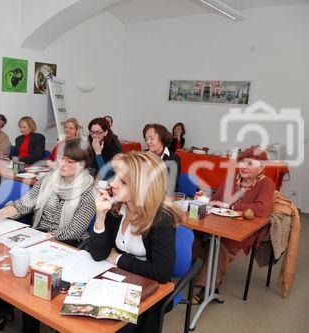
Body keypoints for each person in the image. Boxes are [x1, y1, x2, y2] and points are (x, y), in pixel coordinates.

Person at [0, 139, 96, 333]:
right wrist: (0, 213)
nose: (62, 164)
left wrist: (43, 238)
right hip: (39, 235)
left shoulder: (89, 193)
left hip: (66, 243)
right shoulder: (48, 179)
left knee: (30, 272)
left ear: (83, 165)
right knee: (14, 267)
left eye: (70, 162)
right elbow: (24, 203)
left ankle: (3, 320)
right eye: (62, 159)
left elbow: (74, 231)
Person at [89, 151, 180, 333]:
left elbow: (161, 273)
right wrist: (100, 216)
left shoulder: (161, 218)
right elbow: (99, 254)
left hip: (148, 290)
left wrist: (117, 259)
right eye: (115, 176)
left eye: (123, 182)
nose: (113, 183)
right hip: (118, 279)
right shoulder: (116, 207)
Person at [192, 147, 275, 304]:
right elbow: (215, 200)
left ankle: (209, 288)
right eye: (242, 162)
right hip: (220, 224)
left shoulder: (266, 184)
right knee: (195, 235)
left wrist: (229, 206)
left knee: (221, 243)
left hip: (245, 230)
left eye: (250, 163)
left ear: (261, 168)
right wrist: (204, 199)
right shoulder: (232, 179)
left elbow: (262, 209)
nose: (243, 166)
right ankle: (199, 273)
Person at [143, 123, 181, 193]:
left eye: (151, 138)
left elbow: (171, 188)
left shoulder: (173, 159)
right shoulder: (142, 156)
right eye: (146, 139)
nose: (148, 142)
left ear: (162, 138)